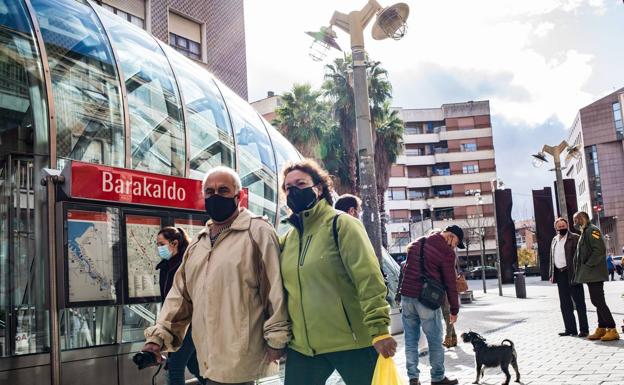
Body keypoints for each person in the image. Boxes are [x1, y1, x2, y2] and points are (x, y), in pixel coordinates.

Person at [142, 166, 291, 384]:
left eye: (223, 190)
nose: (215, 196)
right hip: (208, 357)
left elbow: (274, 289)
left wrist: (277, 339)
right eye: (210, 192)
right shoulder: (198, 244)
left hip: (242, 357)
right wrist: (157, 338)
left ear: (238, 197)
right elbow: (179, 297)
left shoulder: (257, 232)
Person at [279, 159, 396, 385]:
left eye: (300, 184)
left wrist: (380, 329)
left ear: (319, 188)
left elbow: (369, 278)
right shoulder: (288, 239)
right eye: (288, 187)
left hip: (352, 343)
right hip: (304, 348)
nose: (293, 191)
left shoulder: (342, 224)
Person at [399, 226, 464, 385]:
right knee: (434, 340)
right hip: (427, 300)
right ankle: (437, 378)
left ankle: (413, 378)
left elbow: (405, 270)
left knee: (410, 340)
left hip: (407, 297)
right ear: (450, 236)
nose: (455, 246)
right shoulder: (446, 252)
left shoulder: (417, 243)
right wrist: (454, 309)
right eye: (457, 242)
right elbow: (450, 284)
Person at [155, 227, 206, 385]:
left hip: (187, 324)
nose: (158, 248)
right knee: (194, 365)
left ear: (174, 243)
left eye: (161, 243)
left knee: (174, 368)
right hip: (173, 322)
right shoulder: (165, 267)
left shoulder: (186, 266)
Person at [572, 211, 619, 342]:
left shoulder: (592, 230)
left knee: (598, 301)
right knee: (597, 300)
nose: (575, 223)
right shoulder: (585, 232)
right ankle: (602, 327)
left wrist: (587, 265)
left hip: (594, 273)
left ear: (582, 219)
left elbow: (599, 250)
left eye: (576, 220)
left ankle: (612, 329)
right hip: (590, 273)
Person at [548, 218, 589, 338]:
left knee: (579, 303)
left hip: (573, 274)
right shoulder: (554, 240)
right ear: (556, 228)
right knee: (565, 303)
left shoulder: (575, 237)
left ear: (567, 225)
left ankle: (584, 330)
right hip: (560, 275)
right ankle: (570, 329)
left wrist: (581, 272)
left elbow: (582, 256)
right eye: (559, 227)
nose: (561, 228)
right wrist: (551, 274)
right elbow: (552, 257)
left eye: (563, 226)